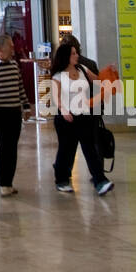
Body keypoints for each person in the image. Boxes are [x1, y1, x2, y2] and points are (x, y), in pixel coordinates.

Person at [49, 38, 113, 196]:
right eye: (73, 53)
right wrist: (63, 110)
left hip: (85, 116)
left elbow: (98, 80)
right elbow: (56, 96)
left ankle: (100, 181)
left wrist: (108, 73)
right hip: (67, 118)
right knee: (67, 150)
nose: (77, 55)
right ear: (66, 56)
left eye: (76, 52)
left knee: (90, 149)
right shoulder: (58, 76)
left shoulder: (83, 69)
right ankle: (62, 180)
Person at [0, 34, 30, 196]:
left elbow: (20, 88)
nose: (14, 49)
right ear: (1, 49)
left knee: (13, 147)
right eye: (11, 46)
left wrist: (26, 106)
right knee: (4, 147)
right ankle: (3, 183)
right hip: (0, 113)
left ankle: (9, 181)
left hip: (14, 111)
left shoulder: (14, 66)